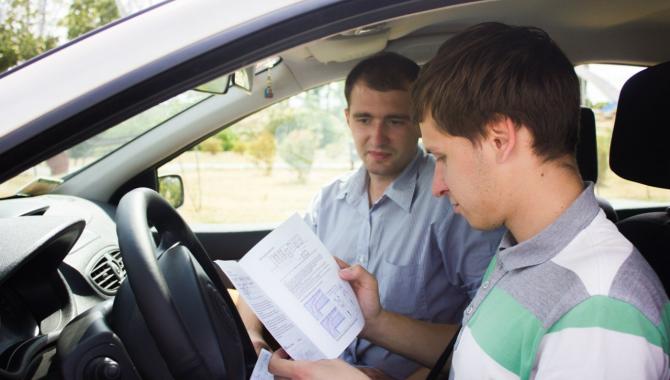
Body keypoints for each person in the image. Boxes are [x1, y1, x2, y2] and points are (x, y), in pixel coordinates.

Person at [268, 22, 670, 379]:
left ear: (499, 139)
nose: (437, 185)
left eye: (442, 157)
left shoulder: (599, 311)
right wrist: (373, 323)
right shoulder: (520, 254)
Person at [237, 52, 504, 379]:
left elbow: (489, 336)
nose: (377, 138)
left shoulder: (455, 202)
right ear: (347, 118)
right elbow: (263, 279)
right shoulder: (328, 201)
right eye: (364, 119)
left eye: (395, 120)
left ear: (420, 122)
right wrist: (250, 335)